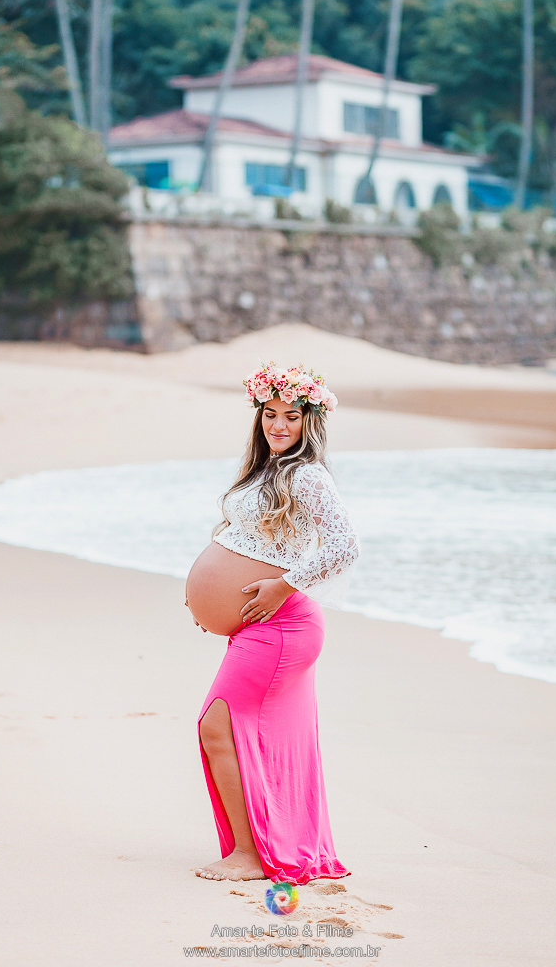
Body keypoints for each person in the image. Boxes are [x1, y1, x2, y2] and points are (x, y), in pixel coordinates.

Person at [185, 363, 359, 883]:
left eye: (289, 417)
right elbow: (249, 545)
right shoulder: (267, 470)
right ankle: (265, 843)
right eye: (269, 415)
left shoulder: (306, 474)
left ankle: (248, 854)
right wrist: (210, 605)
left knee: (216, 725)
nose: (277, 426)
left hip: (284, 625)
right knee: (244, 732)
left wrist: (283, 585)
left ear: (310, 421)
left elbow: (343, 545)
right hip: (258, 625)